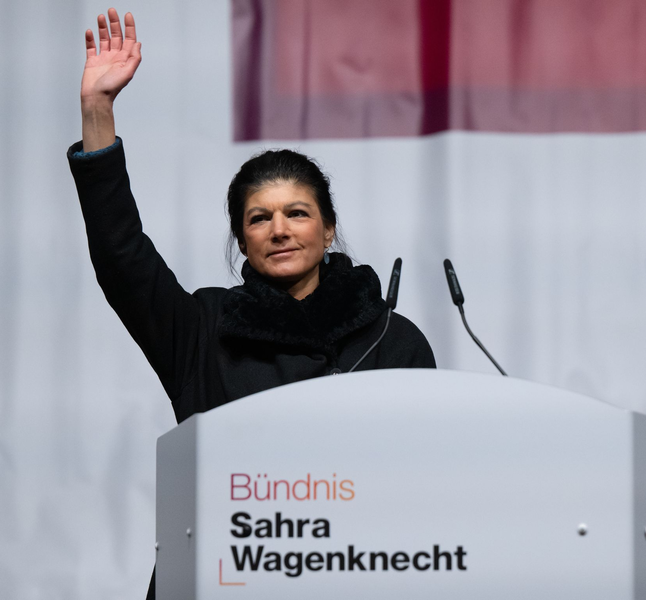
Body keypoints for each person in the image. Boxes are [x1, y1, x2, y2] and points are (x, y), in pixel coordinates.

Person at [68, 9, 435, 599]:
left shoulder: (392, 338)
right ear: (242, 240)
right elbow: (122, 257)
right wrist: (97, 111)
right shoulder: (204, 327)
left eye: (297, 213)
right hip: (219, 577)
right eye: (259, 219)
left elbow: (426, 483)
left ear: (329, 229)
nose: (280, 230)